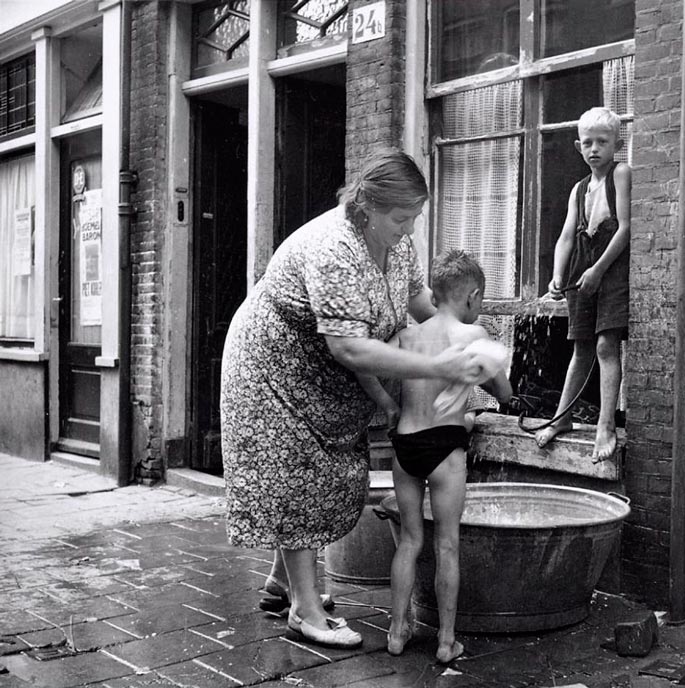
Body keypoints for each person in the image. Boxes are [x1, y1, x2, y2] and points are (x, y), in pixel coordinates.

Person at [220, 150, 484, 650]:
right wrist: (436, 366)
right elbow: (348, 347)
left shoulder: (395, 244)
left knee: (327, 473)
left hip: (324, 375)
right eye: (401, 218)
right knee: (296, 473)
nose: (408, 229)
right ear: (366, 206)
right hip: (274, 364)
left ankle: (283, 582)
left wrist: (460, 331)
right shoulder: (333, 248)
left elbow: (419, 304)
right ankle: (306, 608)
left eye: (415, 217)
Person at [361, 250, 512, 664]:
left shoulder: (408, 338)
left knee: (409, 541)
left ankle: (396, 632)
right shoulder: (473, 335)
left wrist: (389, 407)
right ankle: (446, 642)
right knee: (447, 544)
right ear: (472, 296)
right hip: (445, 447)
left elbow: (367, 366)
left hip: (405, 444)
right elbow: (505, 394)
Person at [536, 106, 631, 460]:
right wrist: (559, 275)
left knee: (606, 346)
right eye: (588, 143)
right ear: (578, 146)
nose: (595, 149)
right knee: (581, 349)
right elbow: (566, 237)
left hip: (612, 274)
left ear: (616, 145)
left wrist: (599, 270)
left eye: (602, 142)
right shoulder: (579, 189)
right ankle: (562, 418)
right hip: (583, 272)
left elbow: (625, 228)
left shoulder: (621, 174)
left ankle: (606, 425)